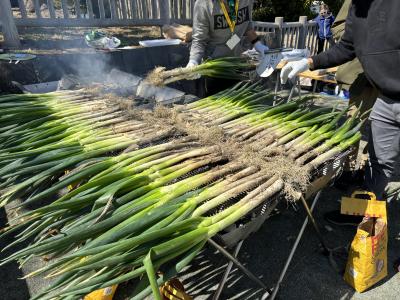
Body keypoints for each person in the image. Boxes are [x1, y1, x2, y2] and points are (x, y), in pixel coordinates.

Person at [280, 1, 400, 204]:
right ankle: (364, 215)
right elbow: (346, 47)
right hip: (387, 98)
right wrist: (309, 62)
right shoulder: (357, 6)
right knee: (378, 163)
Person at [187, 0, 269, 95]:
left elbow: (247, 26)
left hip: (237, 63)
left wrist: (257, 44)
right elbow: (199, 40)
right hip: (214, 68)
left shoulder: (245, 1)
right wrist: (194, 61)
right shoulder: (203, 4)